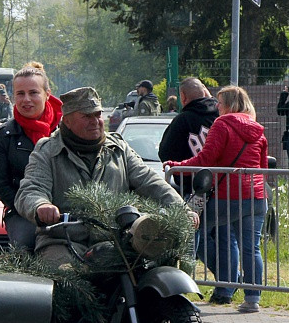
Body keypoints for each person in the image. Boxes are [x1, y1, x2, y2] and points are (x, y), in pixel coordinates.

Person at [15, 86, 188, 267]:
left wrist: (181, 209)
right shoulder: (47, 151)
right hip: (63, 241)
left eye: (97, 115)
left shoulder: (118, 148)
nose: (95, 121)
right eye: (86, 116)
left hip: (116, 240)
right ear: (67, 121)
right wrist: (41, 205)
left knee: (146, 273)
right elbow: (31, 189)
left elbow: (149, 180)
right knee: (65, 276)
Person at [165, 86, 268, 313]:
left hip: (228, 196)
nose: (217, 107)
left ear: (229, 105)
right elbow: (263, 166)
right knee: (251, 248)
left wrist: (176, 166)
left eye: (220, 103)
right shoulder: (257, 128)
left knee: (192, 231)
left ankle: (185, 290)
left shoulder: (222, 124)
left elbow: (206, 158)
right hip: (256, 196)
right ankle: (252, 298)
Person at [0, 61, 62, 252]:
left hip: (67, 209)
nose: (26, 99)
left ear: (47, 94)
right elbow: (1, 185)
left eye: (33, 93)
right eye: (20, 94)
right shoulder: (4, 136)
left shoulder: (66, 131)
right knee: (25, 248)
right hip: (22, 213)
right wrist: (33, 209)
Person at [158, 77, 219, 194]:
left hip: (192, 188)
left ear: (183, 96)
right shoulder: (222, 116)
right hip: (223, 188)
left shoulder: (182, 120)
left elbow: (165, 153)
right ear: (205, 91)